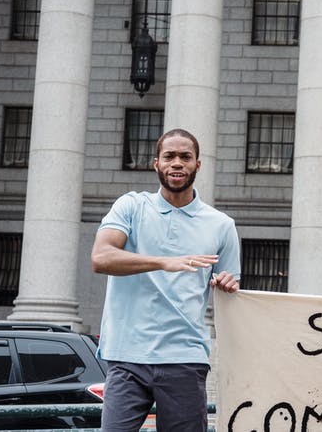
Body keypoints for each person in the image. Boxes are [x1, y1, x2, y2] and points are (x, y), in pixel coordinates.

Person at [91, 128, 241, 432]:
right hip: (126, 355)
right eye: (169, 156)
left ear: (198, 165)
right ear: (155, 163)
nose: (177, 163)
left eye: (185, 157)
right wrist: (163, 262)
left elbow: (230, 290)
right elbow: (101, 257)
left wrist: (227, 285)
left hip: (184, 357)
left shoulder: (222, 225)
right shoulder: (131, 206)